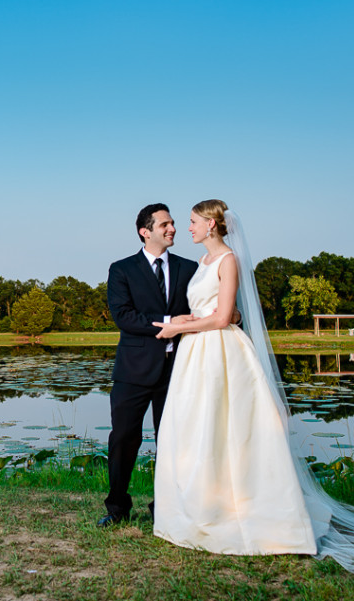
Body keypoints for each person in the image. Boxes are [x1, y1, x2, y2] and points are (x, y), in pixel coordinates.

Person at [151, 199, 354, 591]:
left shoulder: (228, 261)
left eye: (194, 222)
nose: (189, 228)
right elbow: (210, 310)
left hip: (221, 353)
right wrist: (183, 319)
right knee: (198, 429)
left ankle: (252, 512)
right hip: (198, 355)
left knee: (234, 430)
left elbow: (223, 317)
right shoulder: (201, 263)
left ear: (213, 225)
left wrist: (179, 329)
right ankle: (201, 506)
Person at [97, 203, 199, 527]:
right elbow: (123, 317)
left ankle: (165, 507)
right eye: (165, 224)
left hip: (178, 370)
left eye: (173, 223)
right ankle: (117, 508)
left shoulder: (189, 268)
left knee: (172, 442)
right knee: (124, 438)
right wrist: (169, 321)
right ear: (146, 231)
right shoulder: (122, 269)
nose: (173, 229)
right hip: (133, 371)